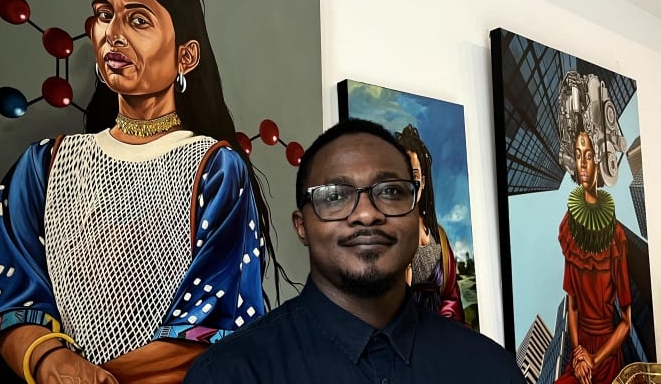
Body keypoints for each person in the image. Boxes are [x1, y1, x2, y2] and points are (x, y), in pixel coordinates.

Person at [0, 0, 283, 383]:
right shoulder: (42, 164)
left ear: (186, 56)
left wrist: (96, 378)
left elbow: (218, 324)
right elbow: (5, 300)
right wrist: (50, 363)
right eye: (104, 15)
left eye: (138, 20)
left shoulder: (215, 168)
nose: (114, 35)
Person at [183, 118, 525, 383]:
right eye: (334, 195)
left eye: (391, 191)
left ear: (415, 213)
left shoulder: (489, 370)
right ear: (302, 226)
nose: (366, 213)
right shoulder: (231, 374)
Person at [554, 73, 631, 384]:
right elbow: (572, 306)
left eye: (588, 155)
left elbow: (625, 322)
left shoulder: (616, 237)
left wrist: (594, 360)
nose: (583, 163)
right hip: (580, 352)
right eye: (578, 155)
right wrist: (578, 354)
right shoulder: (568, 227)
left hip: (607, 357)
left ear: (598, 159)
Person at [395, 124, 465, 323]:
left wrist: (446, 328)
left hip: (440, 332)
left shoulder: (439, 235)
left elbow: (451, 295)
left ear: (423, 182)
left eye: (414, 176)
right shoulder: (390, 235)